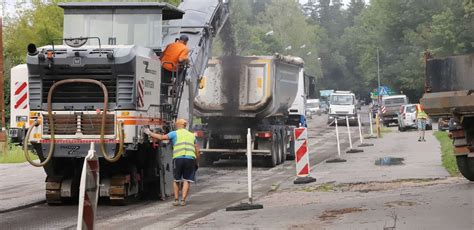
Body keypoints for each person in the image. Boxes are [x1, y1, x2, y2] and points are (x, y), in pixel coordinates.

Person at [144, 119, 199, 206]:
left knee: (176, 180)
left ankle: (176, 200)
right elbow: (197, 150)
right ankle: (183, 200)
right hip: (190, 159)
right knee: (187, 180)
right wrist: (196, 161)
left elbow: (162, 138)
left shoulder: (174, 133)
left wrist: (149, 133)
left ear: (178, 125)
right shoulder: (192, 135)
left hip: (178, 159)